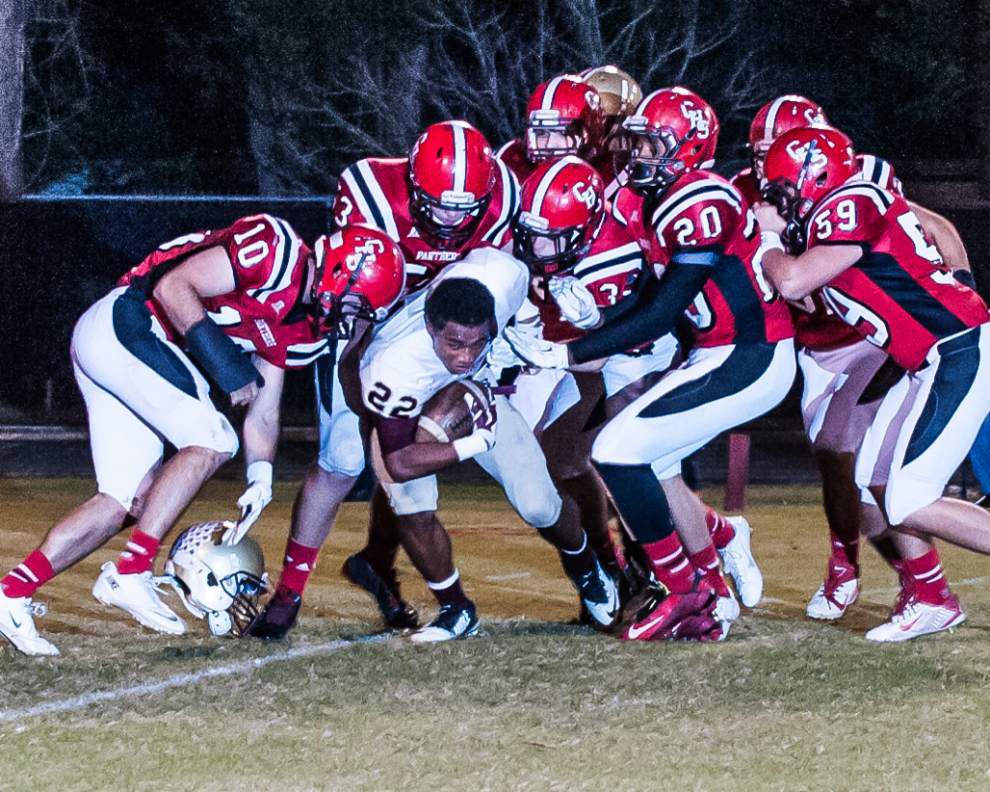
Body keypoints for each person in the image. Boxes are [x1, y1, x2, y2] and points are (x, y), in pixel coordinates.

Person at [0, 217, 404, 656]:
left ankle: (12, 594)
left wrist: (261, 479)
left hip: (123, 346)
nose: (351, 318)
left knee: (127, 500)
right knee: (214, 439)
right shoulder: (276, 248)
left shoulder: (305, 331)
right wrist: (227, 366)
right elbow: (172, 288)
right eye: (355, 304)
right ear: (342, 271)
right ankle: (131, 570)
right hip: (130, 320)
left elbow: (264, 409)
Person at [505, 87, 796, 640]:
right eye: (635, 145)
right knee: (654, 465)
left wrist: (569, 350)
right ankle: (710, 588)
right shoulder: (650, 197)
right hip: (716, 351)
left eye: (652, 146)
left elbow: (664, 309)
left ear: (689, 148)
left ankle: (682, 588)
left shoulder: (700, 198)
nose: (638, 158)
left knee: (615, 449)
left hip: (749, 352)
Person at [249, 120, 520, 636]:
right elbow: (357, 292)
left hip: (442, 332)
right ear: (414, 186)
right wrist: (366, 388)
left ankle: (381, 567)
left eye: (466, 209)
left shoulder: (503, 192)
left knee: (419, 453)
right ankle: (290, 591)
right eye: (440, 205)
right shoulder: (372, 191)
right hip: (372, 319)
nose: (451, 220)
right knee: (343, 461)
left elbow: (494, 277)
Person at [757, 124, 990, 641]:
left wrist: (768, 237)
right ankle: (932, 598)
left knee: (908, 498)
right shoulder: (833, 211)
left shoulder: (853, 200)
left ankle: (930, 594)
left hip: (955, 349)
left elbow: (792, 279)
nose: (781, 200)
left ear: (815, 176)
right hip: (924, 359)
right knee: (870, 480)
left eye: (785, 187)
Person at [359, 246, 619, 642]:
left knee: (538, 504)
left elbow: (524, 299)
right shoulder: (391, 368)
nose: (466, 355)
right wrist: (470, 446)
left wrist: (523, 335)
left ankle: (587, 568)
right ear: (431, 327)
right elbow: (399, 461)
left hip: (479, 392)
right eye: (455, 344)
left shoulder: (501, 276)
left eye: (477, 343)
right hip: (407, 409)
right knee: (411, 503)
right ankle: (456, 608)